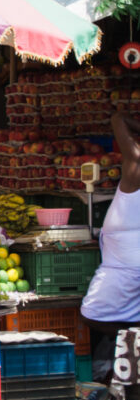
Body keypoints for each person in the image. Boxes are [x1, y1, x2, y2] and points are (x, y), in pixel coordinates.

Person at [81, 112, 140, 334]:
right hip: (126, 261)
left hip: (125, 265)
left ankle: (129, 339)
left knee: (92, 314)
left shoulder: (136, 169)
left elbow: (118, 119)